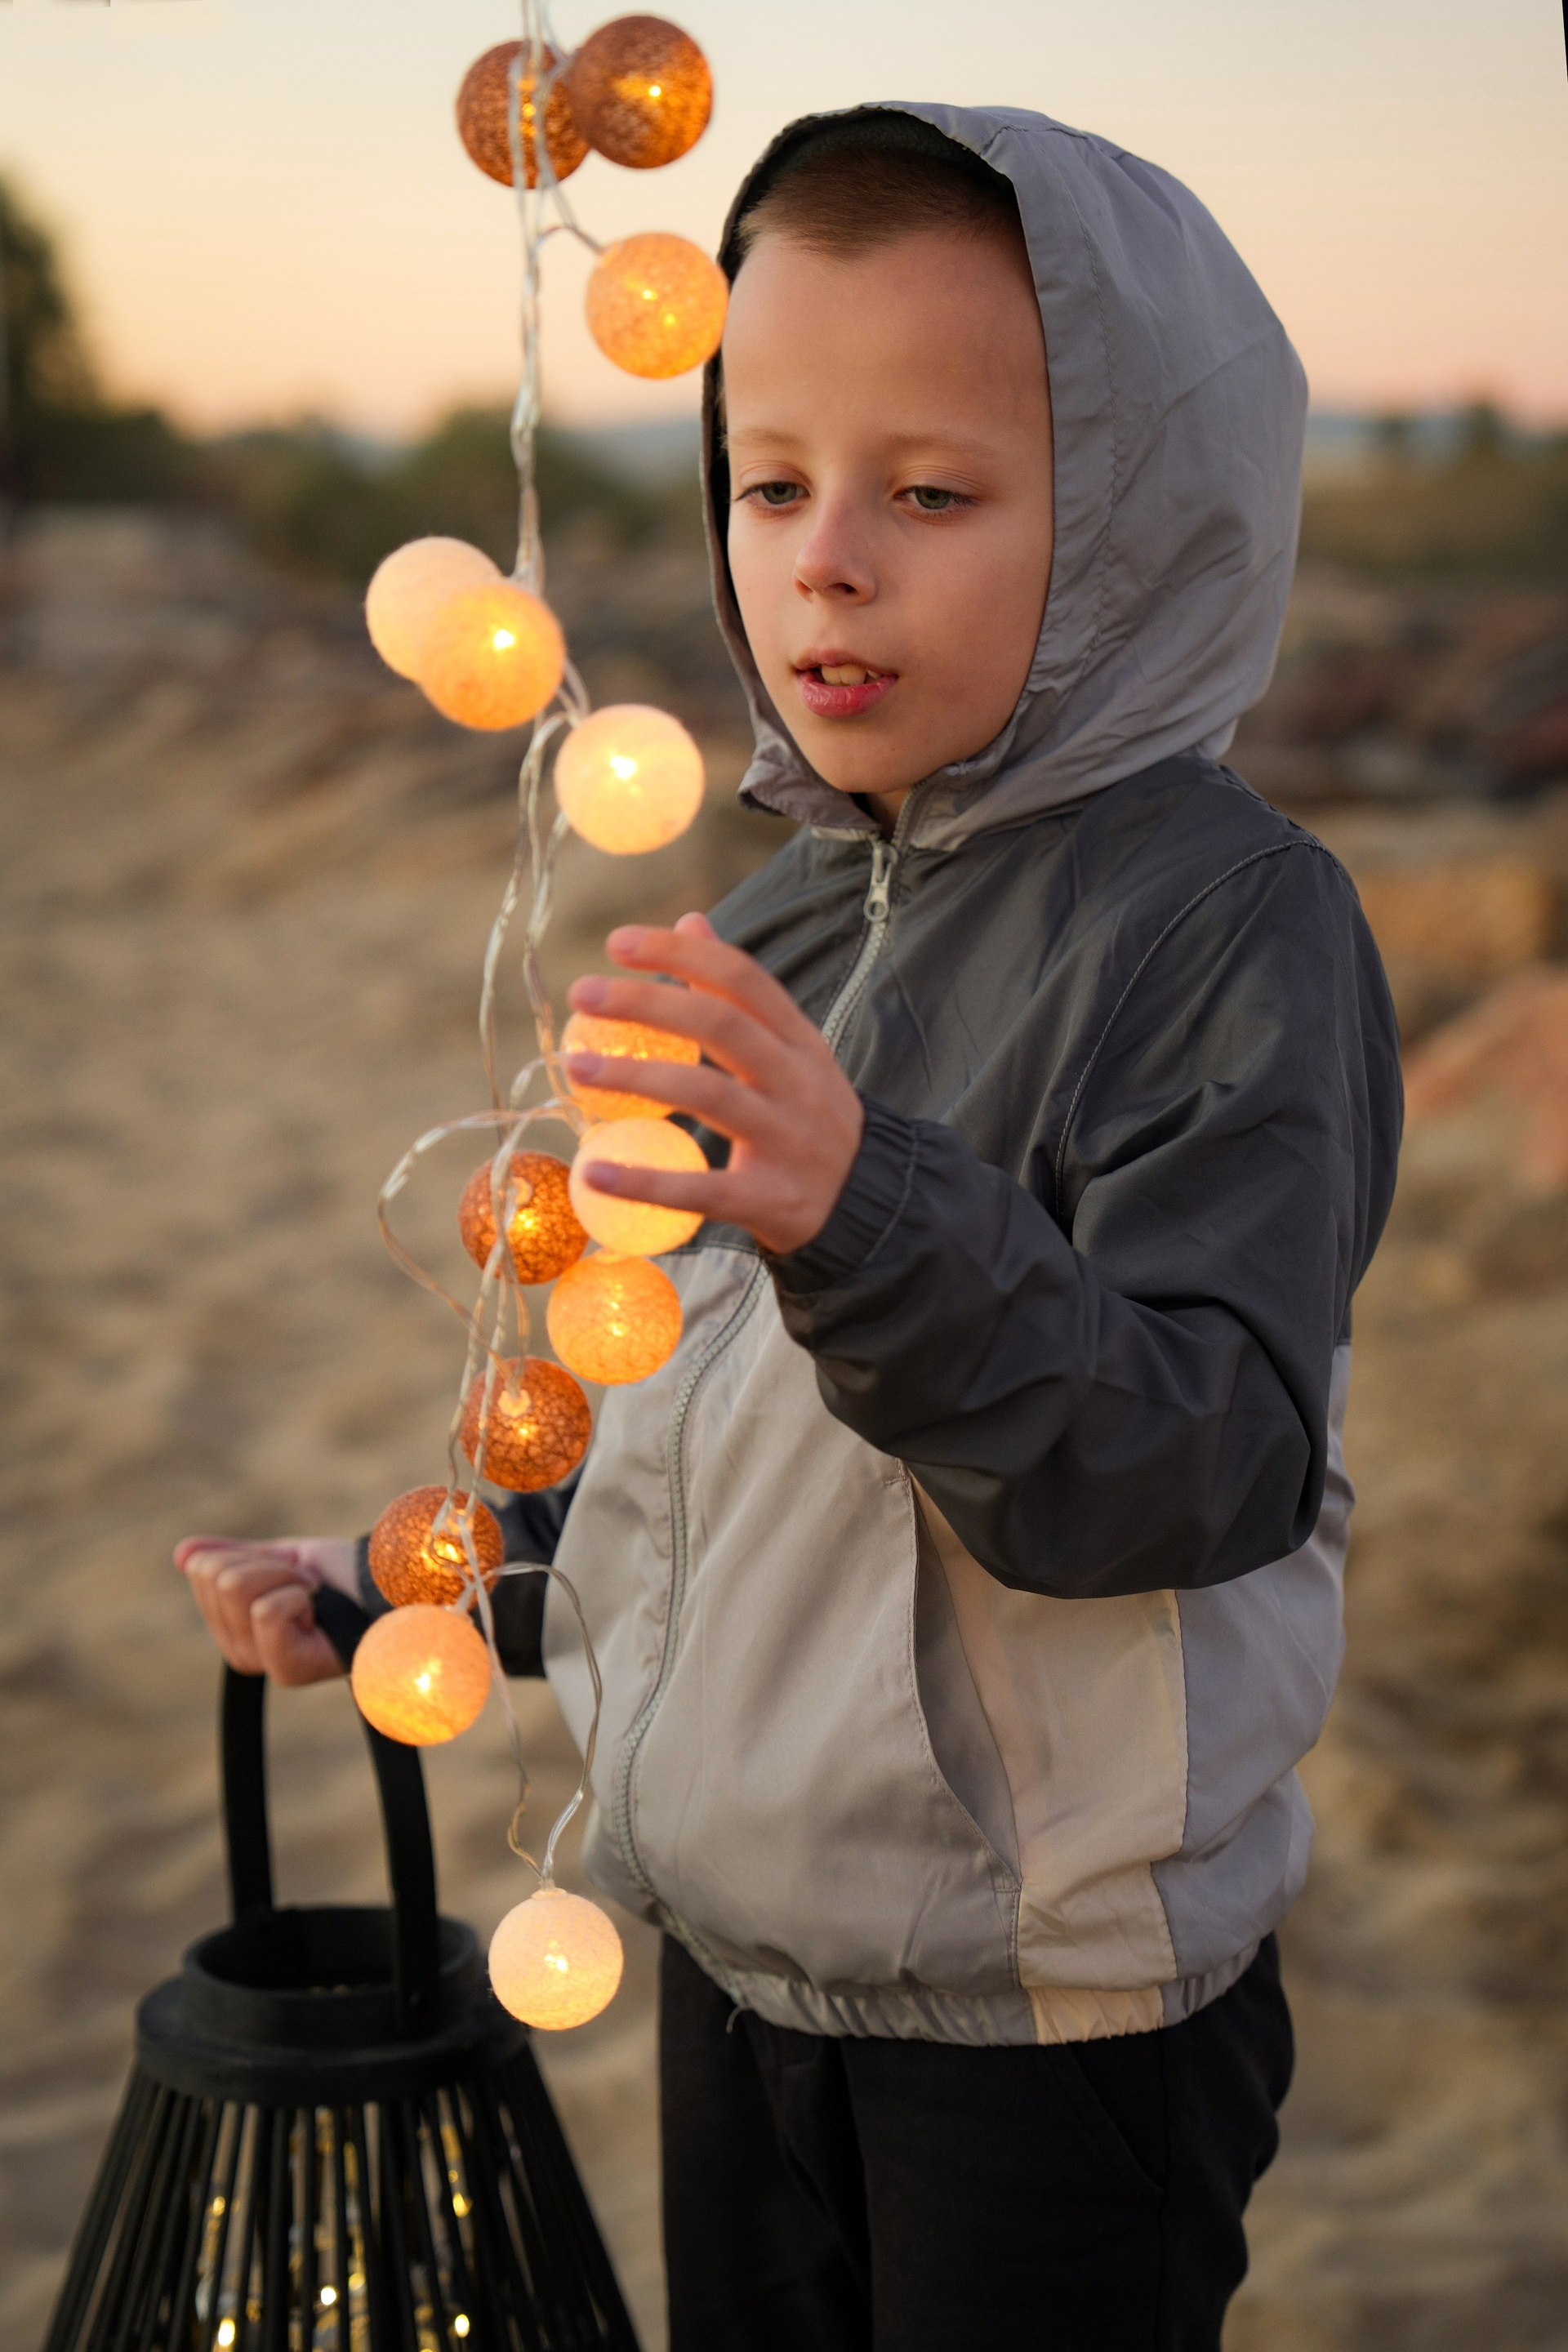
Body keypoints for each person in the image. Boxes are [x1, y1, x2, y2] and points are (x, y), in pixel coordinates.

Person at [180, 105, 1402, 2352]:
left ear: (1140, 528)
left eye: (929, 494)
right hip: (738, 1961)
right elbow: (692, 1460)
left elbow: (1204, 1463)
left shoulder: (1229, 924)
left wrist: (865, 1204)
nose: (825, 563)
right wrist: (405, 1585)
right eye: (769, 485)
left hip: (1049, 2021)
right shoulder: (769, 921)